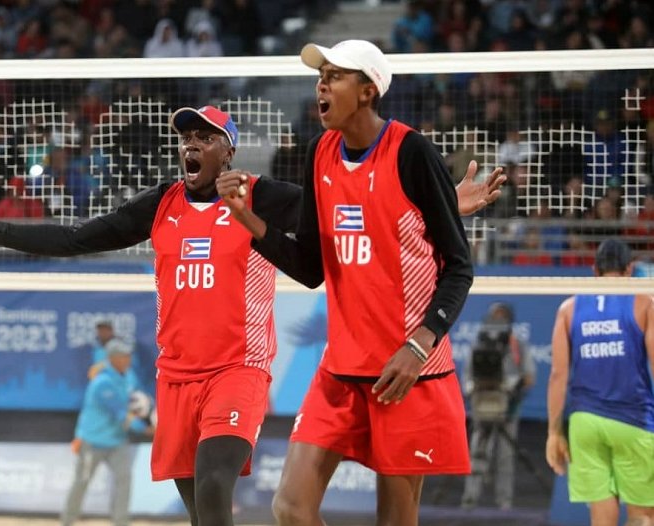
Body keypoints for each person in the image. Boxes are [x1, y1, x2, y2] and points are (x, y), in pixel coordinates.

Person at [0, 104, 502, 526]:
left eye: (205, 135)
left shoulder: (257, 195)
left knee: (218, 487)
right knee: (202, 513)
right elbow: (75, 237)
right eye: (185, 136)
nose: (190, 143)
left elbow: (355, 209)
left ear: (228, 148)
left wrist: (442, 203)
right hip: (176, 378)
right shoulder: (161, 203)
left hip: (238, 372)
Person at [216, 39, 479, 525]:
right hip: (341, 368)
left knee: (395, 519)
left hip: (405, 371)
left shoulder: (412, 152)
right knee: (291, 508)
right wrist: (247, 220)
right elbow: (311, 266)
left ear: (366, 90)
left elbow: (459, 266)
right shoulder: (320, 153)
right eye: (322, 75)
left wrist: (418, 345)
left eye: (335, 75)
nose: (321, 83)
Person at [547, 239, 654, 526]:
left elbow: (558, 374)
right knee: (643, 516)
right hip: (634, 420)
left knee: (601, 519)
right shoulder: (644, 302)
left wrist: (553, 433)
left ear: (594, 270)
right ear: (630, 269)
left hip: (585, 423)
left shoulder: (569, 308)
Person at [62, 338, 150, 526]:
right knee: (81, 483)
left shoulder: (128, 375)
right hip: (92, 442)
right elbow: (121, 414)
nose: (128, 358)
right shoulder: (102, 383)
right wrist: (147, 429)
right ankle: (67, 521)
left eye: (129, 355)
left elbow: (137, 397)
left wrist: (148, 410)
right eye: (124, 356)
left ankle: (121, 522)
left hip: (117, 441)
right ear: (113, 358)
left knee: (124, 481)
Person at [460, 302, 536, 510]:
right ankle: (469, 500)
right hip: (482, 404)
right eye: (495, 316)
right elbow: (467, 375)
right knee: (477, 452)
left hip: (507, 408)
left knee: (505, 456)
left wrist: (511, 387)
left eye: (503, 317)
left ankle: (504, 503)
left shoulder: (517, 345)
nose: (498, 321)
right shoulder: (479, 344)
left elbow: (529, 376)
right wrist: (473, 389)